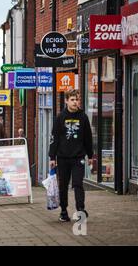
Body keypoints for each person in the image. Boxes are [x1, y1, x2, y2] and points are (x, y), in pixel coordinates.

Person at [49, 89, 93, 222]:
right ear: (67, 101)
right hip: (62, 158)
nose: (75, 102)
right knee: (63, 185)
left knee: (78, 183)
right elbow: (54, 138)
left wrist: (90, 155)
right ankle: (63, 211)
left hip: (78, 157)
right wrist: (52, 157)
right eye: (72, 99)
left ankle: (80, 209)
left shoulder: (83, 117)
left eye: (77, 99)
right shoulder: (60, 117)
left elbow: (88, 138)